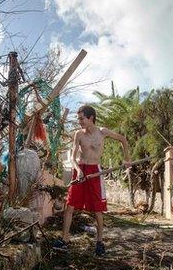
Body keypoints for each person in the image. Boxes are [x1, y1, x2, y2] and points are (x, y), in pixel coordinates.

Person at [53, 105, 131, 256]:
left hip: (95, 171)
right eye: (79, 119)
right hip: (80, 171)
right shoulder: (78, 135)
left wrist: (127, 159)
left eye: (82, 119)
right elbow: (73, 157)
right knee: (70, 206)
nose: (79, 122)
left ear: (91, 118)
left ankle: (100, 242)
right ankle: (65, 240)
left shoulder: (102, 132)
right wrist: (78, 170)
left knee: (97, 210)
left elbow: (123, 139)